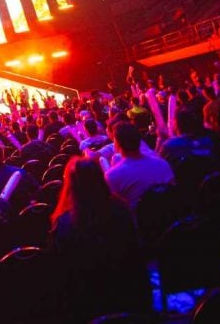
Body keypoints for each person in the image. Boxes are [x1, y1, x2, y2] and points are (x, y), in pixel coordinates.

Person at [49, 157, 150, 321]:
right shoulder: (121, 210)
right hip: (125, 295)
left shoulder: (64, 223)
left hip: (86, 304)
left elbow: (61, 273)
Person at [104, 123, 174, 208]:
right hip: (168, 213)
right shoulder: (162, 163)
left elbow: (115, 208)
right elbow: (173, 192)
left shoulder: (112, 175)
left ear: (117, 143)